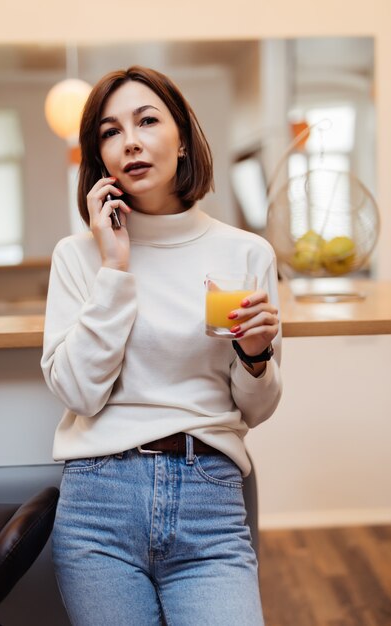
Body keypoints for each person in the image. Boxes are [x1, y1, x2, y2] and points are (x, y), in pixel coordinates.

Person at [41, 65, 282, 626]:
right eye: (109, 131)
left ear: (182, 139)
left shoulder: (246, 254)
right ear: (98, 157)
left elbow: (257, 408)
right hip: (97, 508)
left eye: (147, 120)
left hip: (210, 502)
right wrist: (115, 269)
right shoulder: (78, 258)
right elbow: (79, 391)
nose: (130, 141)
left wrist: (255, 356)